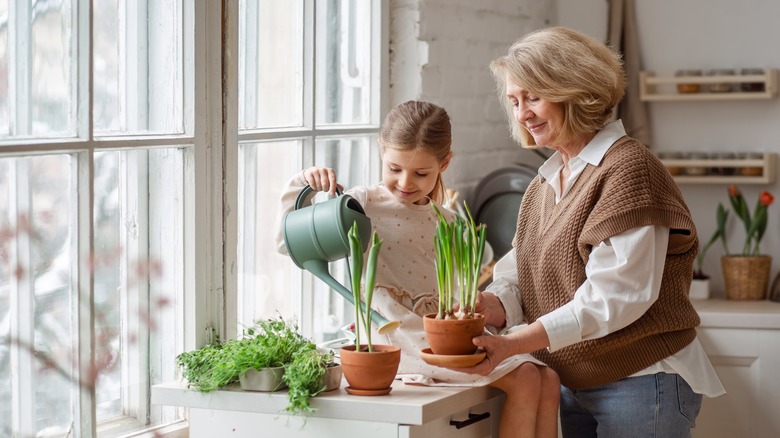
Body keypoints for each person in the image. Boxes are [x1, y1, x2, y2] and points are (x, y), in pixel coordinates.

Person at [454, 26, 725, 437]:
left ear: (575, 91)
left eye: (533, 97)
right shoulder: (545, 183)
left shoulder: (628, 171)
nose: (521, 113)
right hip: (575, 379)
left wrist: (513, 343)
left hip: (641, 380)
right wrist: (490, 304)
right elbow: (521, 273)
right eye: (514, 100)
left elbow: (616, 297)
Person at [275, 100, 560, 438]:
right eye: (394, 168)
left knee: (549, 378)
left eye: (421, 173)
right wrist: (302, 186)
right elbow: (286, 244)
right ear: (382, 152)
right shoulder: (362, 204)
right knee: (527, 377)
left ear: (445, 163)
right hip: (396, 335)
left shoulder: (448, 220)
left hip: (439, 332)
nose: (405, 182)